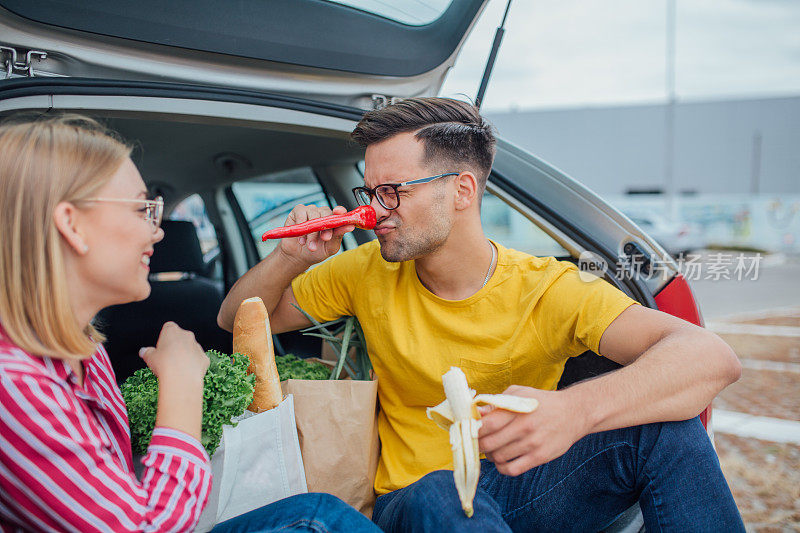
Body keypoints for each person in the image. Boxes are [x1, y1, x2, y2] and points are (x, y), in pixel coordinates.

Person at [218, 97, 746, 532]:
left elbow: (711, 358)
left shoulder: (549, 287)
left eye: (392, 192)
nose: (375, 211)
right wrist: (289, 257)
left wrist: (572, 412)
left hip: (524, 484)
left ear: (462, 190)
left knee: (667, 431)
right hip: (414, 499)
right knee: (445, 491)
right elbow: (236, 318)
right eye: (370, 191)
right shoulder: (362, 270)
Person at [0, 114, 379, 533]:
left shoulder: (85, 349)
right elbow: (143, 527)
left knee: (316, 514)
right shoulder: (13, 383)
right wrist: (182, 386)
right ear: (71, 224)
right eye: (142, 209)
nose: (158, 233)